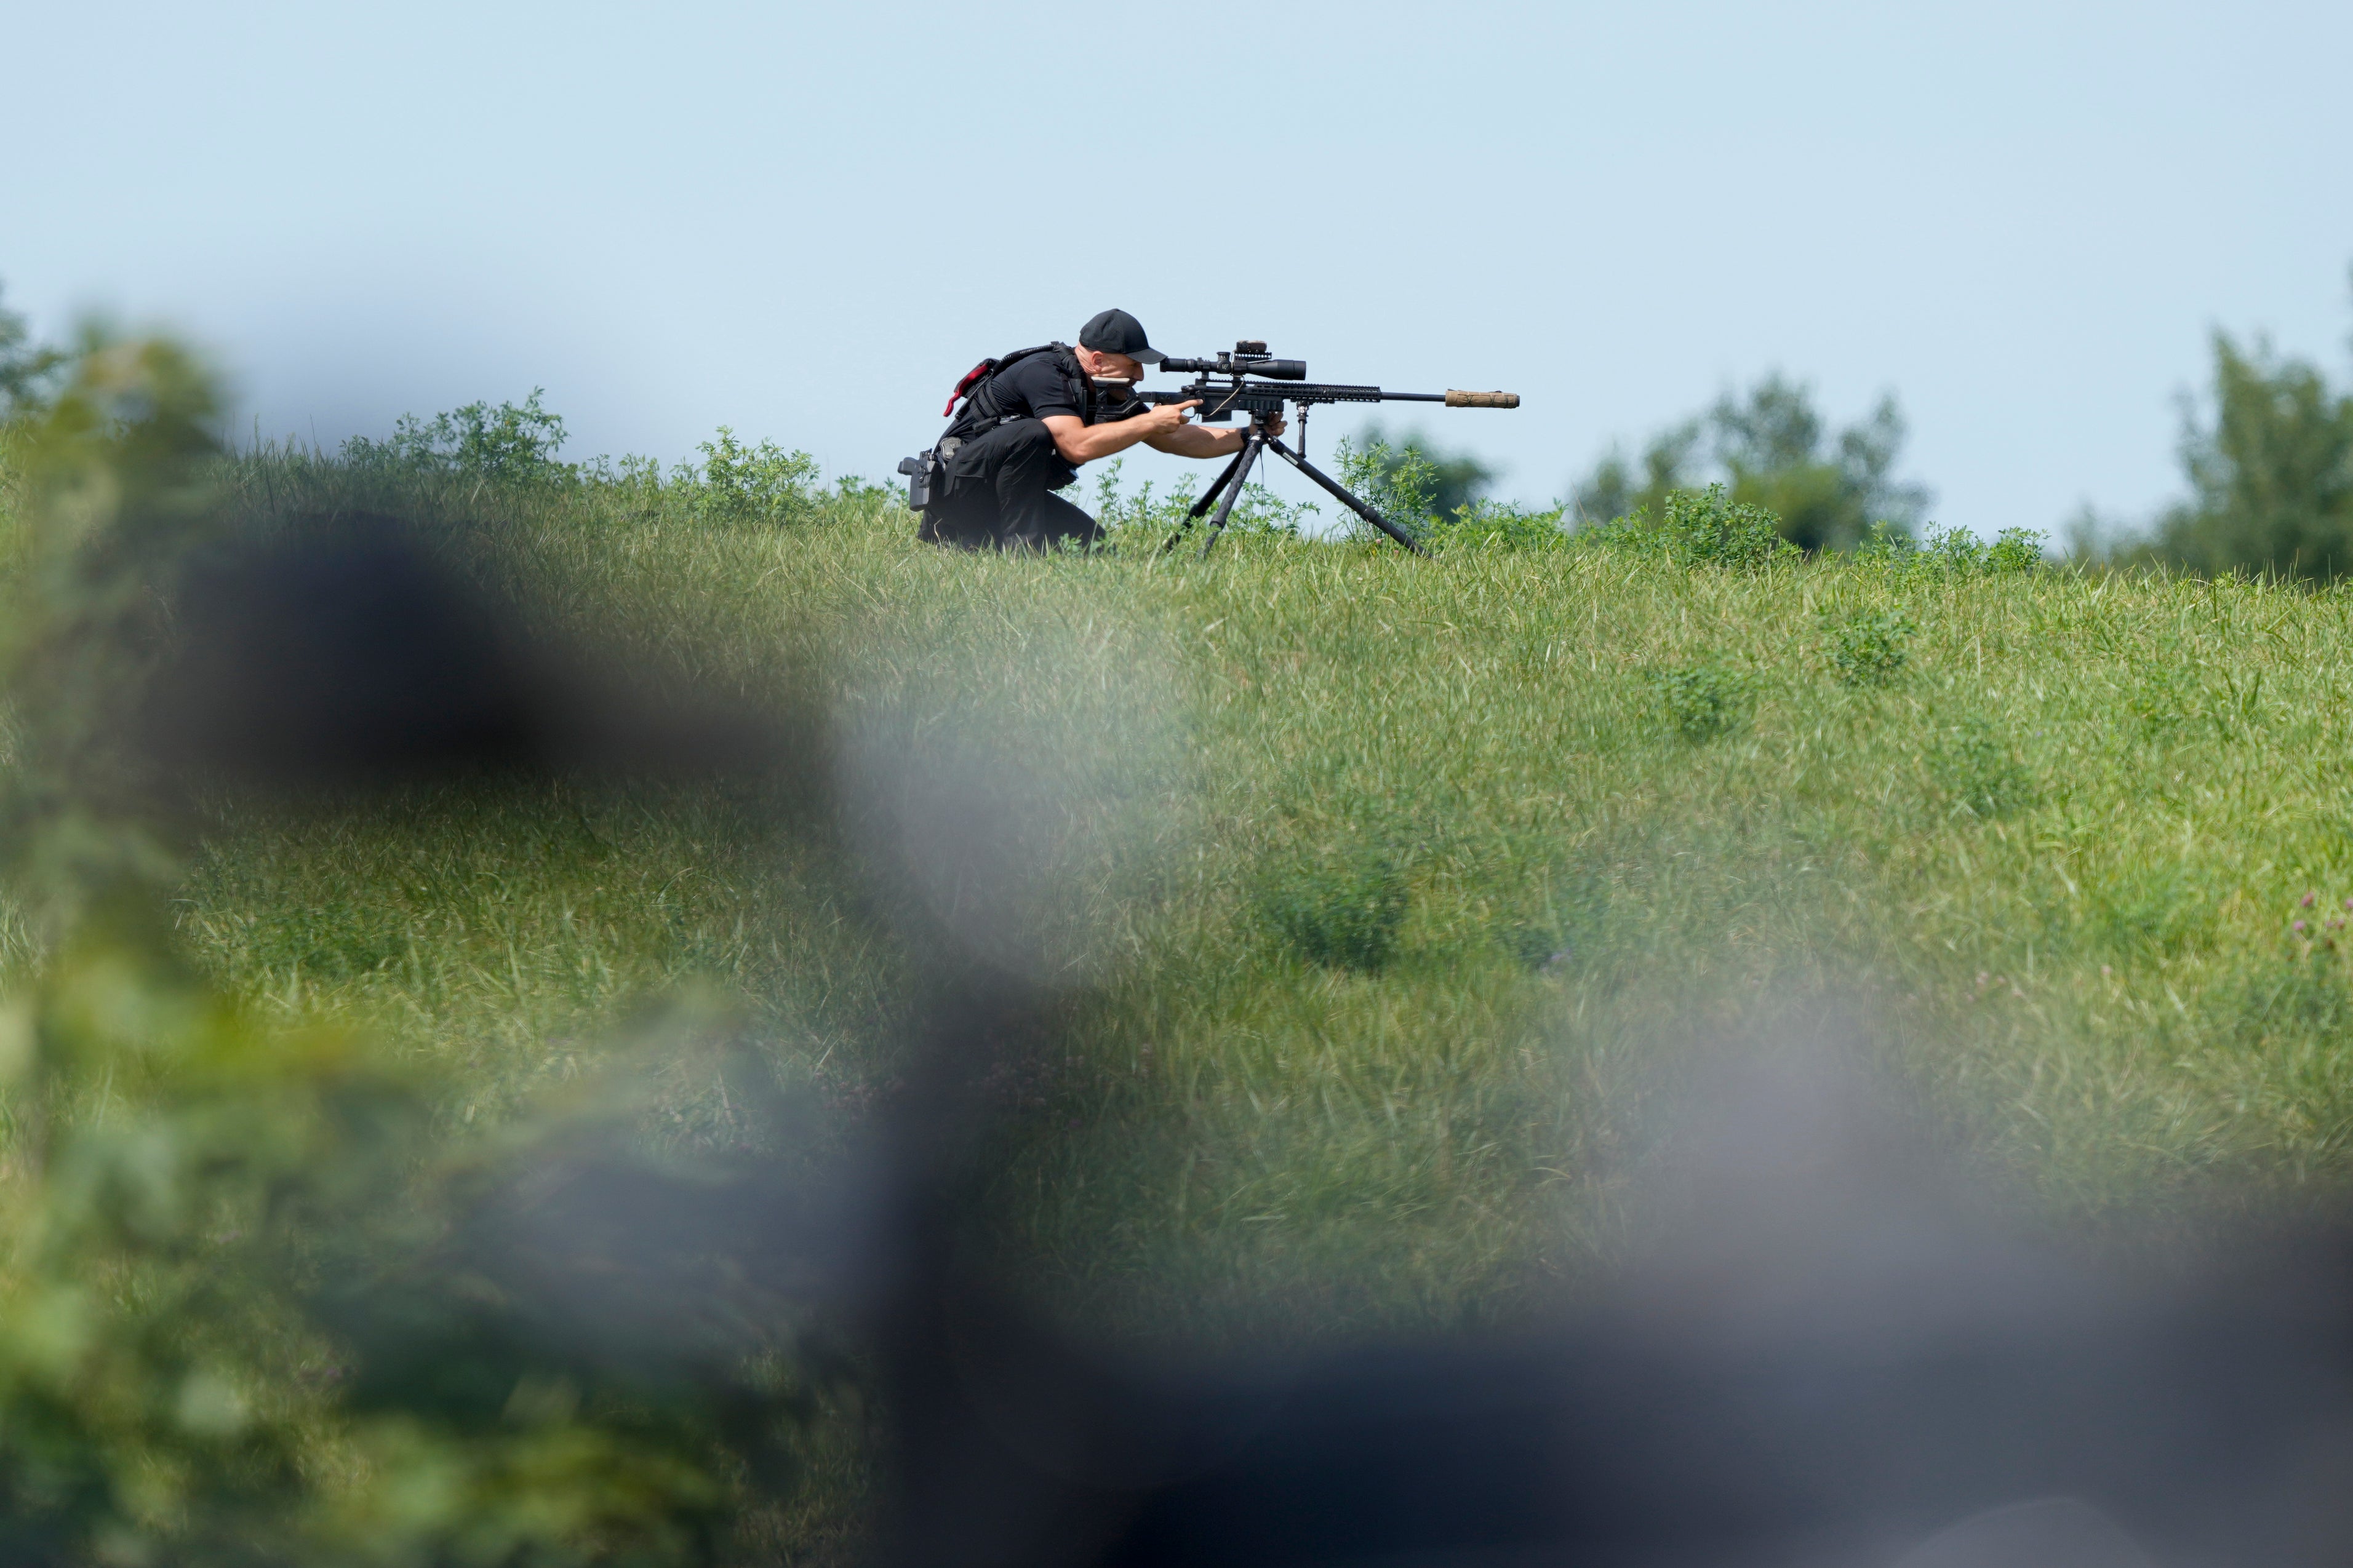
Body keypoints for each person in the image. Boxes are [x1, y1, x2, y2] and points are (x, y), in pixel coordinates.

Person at [915, 308, 1283, 550]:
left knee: (1097, 551)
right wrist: (1149, 420)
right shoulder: (1043, 373)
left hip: (1002, 498)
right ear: (1097, 360)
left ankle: (990, 545)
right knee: (1032, 433)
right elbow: (1076, 446)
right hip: (960, 496)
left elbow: (1177, 439)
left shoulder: (1106, 387)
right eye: (1134, 364)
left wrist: (1247, 435)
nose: (1140, 374)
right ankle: (1020, 559)